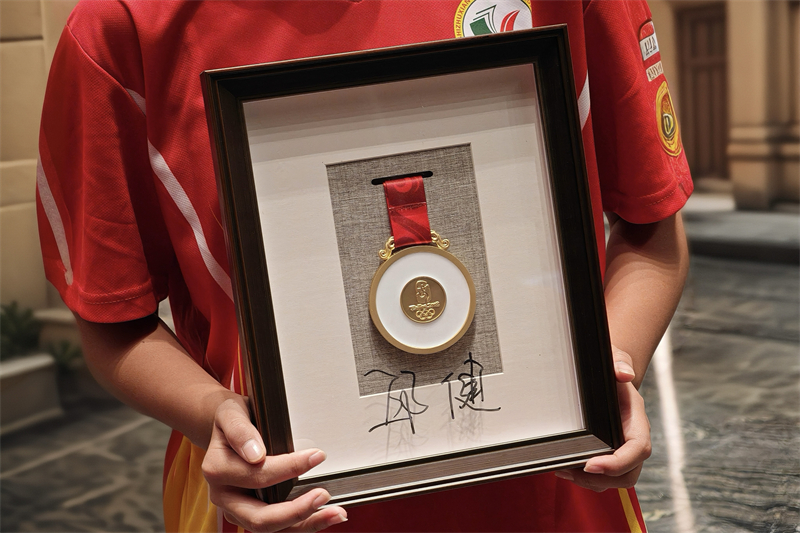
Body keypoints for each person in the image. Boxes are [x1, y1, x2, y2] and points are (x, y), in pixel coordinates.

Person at [36, 1, 691, 531]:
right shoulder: (125, 28)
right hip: (284, 503)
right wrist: (215, 414)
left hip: (552, 492)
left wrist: (606, 374)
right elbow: (115, 319)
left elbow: (653, 231)